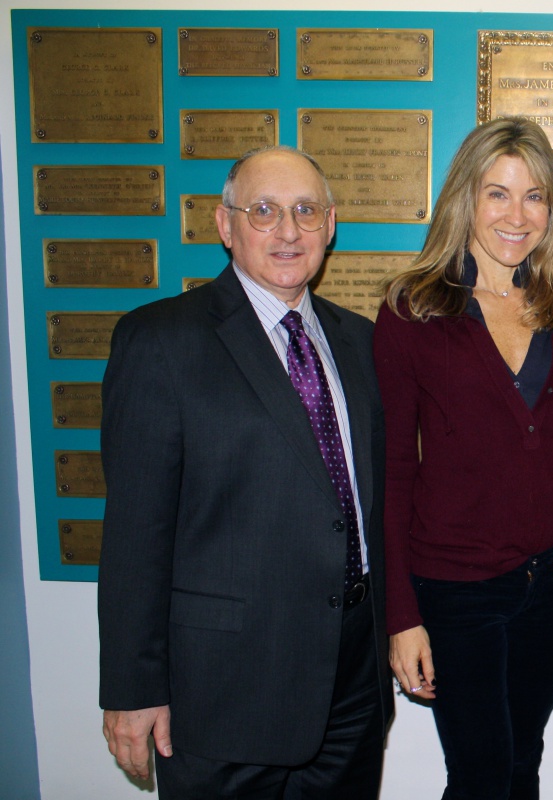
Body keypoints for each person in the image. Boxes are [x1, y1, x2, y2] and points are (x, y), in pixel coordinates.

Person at [98, 145, 393, 798]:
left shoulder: (363, 343)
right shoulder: (160, 342)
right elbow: (132, 532)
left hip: (350, 678)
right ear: (224, 225)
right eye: (264, 211)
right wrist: (131, 687)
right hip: (220, 691)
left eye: (305, 211)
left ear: (331, 224)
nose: (288, 231)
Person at [373, 117, 553, 800]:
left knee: (522, 761)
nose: (517, 214)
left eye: (534, 195)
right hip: (455, 585)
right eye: (497, 193)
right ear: (465, 199)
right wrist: (401, 616)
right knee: (479, 775)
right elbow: (393, 471)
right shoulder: (412, 309)